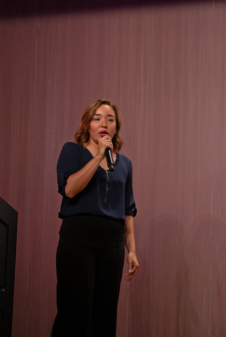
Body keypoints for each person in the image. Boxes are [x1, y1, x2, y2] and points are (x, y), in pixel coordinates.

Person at [52, 99, 139, 337]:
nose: (104, 123)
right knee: (74, 311)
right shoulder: (72, 151)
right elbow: (69, 189)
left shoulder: (125, 164)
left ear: (115, 128)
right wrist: (99, 155)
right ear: (87, 124)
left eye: (110, 119)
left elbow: (127, 210)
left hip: (112, 243)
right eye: (97, 118)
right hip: (78, 238)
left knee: (105, 312)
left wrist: (131, 250)